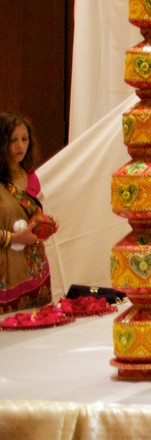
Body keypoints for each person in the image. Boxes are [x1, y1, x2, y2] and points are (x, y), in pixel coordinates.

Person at [0, 112, 58, 314]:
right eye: (12, 140)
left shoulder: (31, 177)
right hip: (4, 273)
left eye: (24, 139)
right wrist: (14, 238)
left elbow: (30, 218)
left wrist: (44, 225)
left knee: (34, 326)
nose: (20, 146)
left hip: (33, 271)